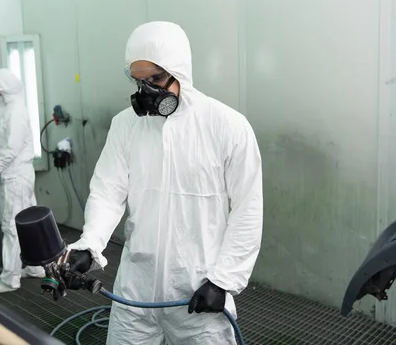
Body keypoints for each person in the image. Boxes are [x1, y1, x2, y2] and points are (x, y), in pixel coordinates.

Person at [64, 22, 264, 344]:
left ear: (179, 71)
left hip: (199, 292)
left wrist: (223, 280)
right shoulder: (126, 126)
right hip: (136, 289)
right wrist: (91, 244)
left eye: (156, 79)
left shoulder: (226, 127)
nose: (147, 92)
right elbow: (107, 191)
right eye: (139, 81)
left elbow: (247, 210)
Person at [0, 68, 45, 294]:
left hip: (15, 177)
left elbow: (10, 148)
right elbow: (2, 127)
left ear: (4, 91)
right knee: (28, 223)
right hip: (18, 174)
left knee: (12, 227)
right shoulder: (9, 109)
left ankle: (9, 279)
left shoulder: (15, 113)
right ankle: (35, 267)